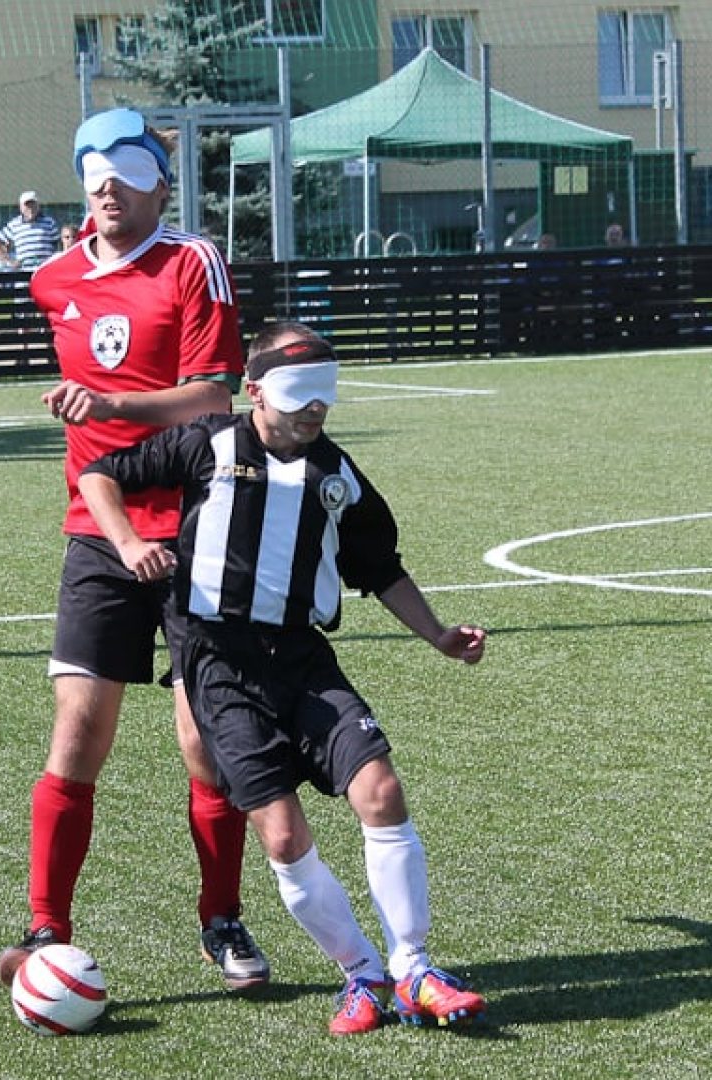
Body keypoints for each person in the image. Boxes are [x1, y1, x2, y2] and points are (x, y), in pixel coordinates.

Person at [77, 323, 490, 1035]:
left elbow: (380, 568)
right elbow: (99, 474)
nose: (314, 409)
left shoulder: (335, 474)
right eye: (300, 394)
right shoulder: (206, 444)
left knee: (380, 789)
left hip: (303, 658)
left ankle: (414, 968)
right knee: (282, 836)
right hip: (218, 669)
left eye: (323, 395)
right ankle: (361, 973)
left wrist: (439, 635)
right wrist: (128, 541)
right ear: (256, 391)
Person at [0, 107, 269, 994]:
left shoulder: (193, 262)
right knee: (77, 729)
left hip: (196, 529)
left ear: (158, 181)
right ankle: (45, 928)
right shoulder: (55, 278)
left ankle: (221, 919)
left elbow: (212, 398)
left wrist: (109, 406)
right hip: (97, 532)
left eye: (124, 170)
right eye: (93, 173)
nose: (107, 187)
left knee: (205, 742)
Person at [0, 191, 62, 271]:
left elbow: (59, 244)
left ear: (38, 206)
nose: (30, 208)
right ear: (21, 207)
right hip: (24, 272)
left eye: (33, 205)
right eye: (27, 205)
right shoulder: (14, 224)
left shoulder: (49, 222)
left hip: (45, 271)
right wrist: (8, 261)